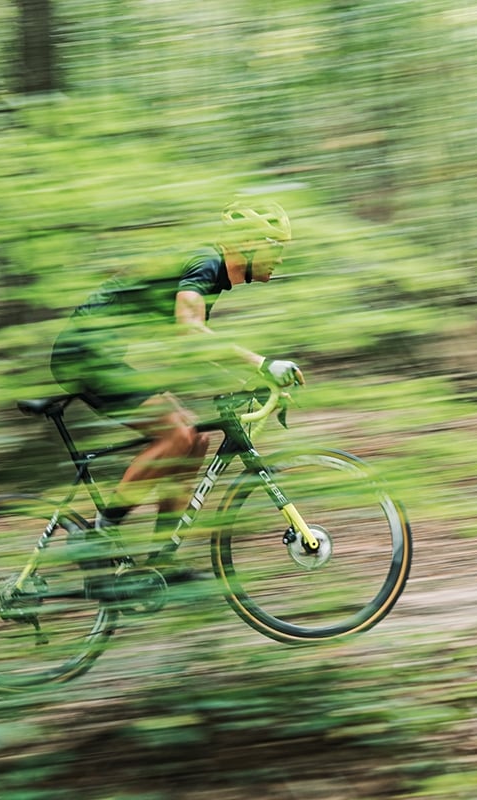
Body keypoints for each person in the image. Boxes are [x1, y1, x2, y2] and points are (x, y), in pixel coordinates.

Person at [50, 199, 305, 565]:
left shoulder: (209, 277)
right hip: (83, 354)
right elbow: (191, 331)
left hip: (102, 356)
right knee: (177, 435)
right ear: (248, 244)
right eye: (275, 245)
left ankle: (161, 561)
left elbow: (193, 348)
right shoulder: (206, 263)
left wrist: (255, 384)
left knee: (197, 438)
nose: (280, 257)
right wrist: (262, 364)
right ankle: (100, 532)